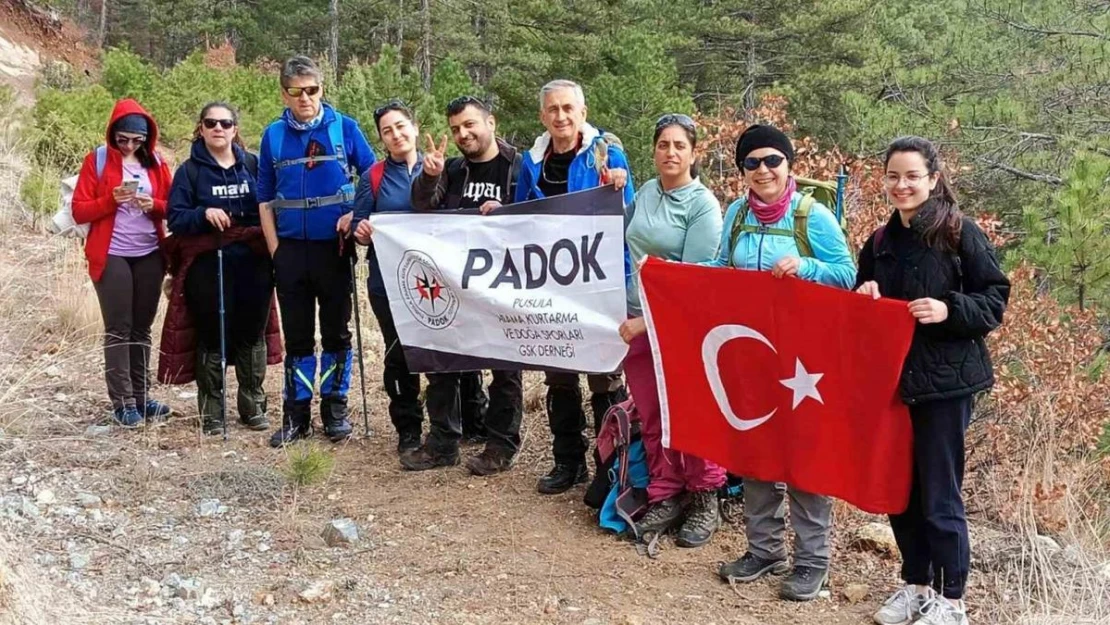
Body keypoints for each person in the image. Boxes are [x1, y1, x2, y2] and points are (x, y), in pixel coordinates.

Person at [860, 137, 1009, 625]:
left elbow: (994, 301)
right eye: (893, 177)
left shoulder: (959, 234)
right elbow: (864, 303)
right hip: (894, 384)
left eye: (912, 176)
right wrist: (865, 293)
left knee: (941, 492)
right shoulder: (880, 243)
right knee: (902, 491)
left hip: (947, 384)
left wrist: (950, 309)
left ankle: (951, 599)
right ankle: (915, 586)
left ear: (933, 178)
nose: (902, 186)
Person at [713, 124, 855, 601]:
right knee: (755, 449)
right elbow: (717, 271)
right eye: (752, 162)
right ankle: (763, 549)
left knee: (803, 455)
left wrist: (807, 268)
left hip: (804, 361)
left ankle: (812, 560)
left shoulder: (812, 217)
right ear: (742, 171)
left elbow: (849, 276)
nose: (763, 170)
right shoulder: (735, 213)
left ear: (789, 164)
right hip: (751, 353)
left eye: (772, 160)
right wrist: (670, 281)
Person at [515, 79, 634, 495]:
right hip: (551, 285)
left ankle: (609, 466)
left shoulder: (607, 153)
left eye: (569, 108)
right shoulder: (531, 162)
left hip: (600, 285)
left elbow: (629, 217)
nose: (561, 116)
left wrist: (620, 183)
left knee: (604, 375)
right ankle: (568, 461)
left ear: (583, 112)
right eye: (553, 109)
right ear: (542, 116)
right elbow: (519, 221)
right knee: (559, 373)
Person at [399, 95, 525, 476]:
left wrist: (508, 214)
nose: (462, 134)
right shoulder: (453, 169)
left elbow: (537, 211)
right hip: (455, 281)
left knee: (505, 367)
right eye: (455, 129)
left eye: (470, 125)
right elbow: (424, 209)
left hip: (506, 281)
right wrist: (430, 176)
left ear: (492, 122)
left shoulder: (517, 167)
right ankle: (443, 442)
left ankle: (500, 445)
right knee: (442, 358)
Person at [617, 114, 725, 548]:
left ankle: (705, 495)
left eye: (680, 145)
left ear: (694, 153)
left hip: (679, 327)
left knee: (691, 410)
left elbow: (697, 280)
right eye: (663, 144)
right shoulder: (644, 192)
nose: (671, 153)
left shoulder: (703, 205)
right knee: (653, 411)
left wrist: (647, 321)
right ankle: (666, 491)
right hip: (635, 320)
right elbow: (607, 229)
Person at [257, 55, 376, 447]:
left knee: (337, 333)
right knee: (298, 337)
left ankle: (335, 410)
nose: (305, 98)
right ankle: (297, 415)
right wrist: (275, 250)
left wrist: (354, 217)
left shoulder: (344, 128)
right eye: (296, 91)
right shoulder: (273, 135)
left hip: (334, 250)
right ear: (284, 93)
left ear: (322, 89)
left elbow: (372, 177)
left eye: (312, 90)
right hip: (290, 251)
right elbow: (264, 198)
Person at [164, 102, 281, 435]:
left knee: (252, 332)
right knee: (211, 334)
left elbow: (271, 206)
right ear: (200, 128)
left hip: (254, 260)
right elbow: (175, 217)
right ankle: (212, 412)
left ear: (235, 129)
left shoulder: (254, 165)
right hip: (208, 260)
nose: (218, 128)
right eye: (211, 123)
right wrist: (203, 214)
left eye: (225, 123)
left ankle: (252, 405)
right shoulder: (189, 172)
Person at [71, 98, 173, 427]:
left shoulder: (156, 163)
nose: (129, 145)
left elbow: (173, 205)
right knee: (119, 328)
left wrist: (152, 204)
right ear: (113, 133)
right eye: (123, 139)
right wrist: (109, 200)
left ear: (148, 138)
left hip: (149, 252)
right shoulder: (97, 161)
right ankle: (122, 403)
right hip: (111, 252)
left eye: (137, 140)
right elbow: (79, 210)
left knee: (142, 328)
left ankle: (142, 398)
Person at [349, 99, 428, 454]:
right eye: (387, 131)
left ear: (413, 126)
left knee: (448, 354)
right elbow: (357, 222)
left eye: (400, 126)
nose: (396, 135)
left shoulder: (440, 167)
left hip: (439, 285)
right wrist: (360, 229)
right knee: (399, 354)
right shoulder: (374, 176)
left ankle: (462, 421)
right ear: (381, 139)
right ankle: (408, 427)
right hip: (389, 284)